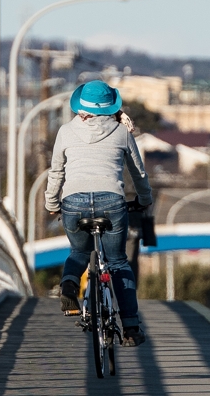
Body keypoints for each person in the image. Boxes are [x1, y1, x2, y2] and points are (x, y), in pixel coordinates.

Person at [45, 79, 153, 346]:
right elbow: (138, 173)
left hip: (73, 202)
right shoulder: (122, 132)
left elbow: (56, 172)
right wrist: (144, 200)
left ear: (80, 106)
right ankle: (131, 328)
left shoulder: (65, 131)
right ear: (111, 107)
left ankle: (69, 284)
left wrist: (52, 204)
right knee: (117, 262)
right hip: (112, 201)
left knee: (79, 252)